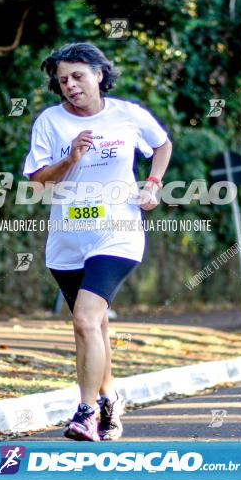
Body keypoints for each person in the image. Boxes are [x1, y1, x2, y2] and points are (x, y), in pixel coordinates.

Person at [23, 43, 172, 441]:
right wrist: (70, 159)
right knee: (93, 328)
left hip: (117, 232)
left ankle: (86, 411)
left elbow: (161, 144)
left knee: (85, 319)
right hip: (68, 239)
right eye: (63, 80)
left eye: (78, 77)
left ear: (99, 75)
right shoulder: (50, 122)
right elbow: (37, 181)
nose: (70, 86)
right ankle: (111, 400)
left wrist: (153, 183)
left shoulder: (129, 115)